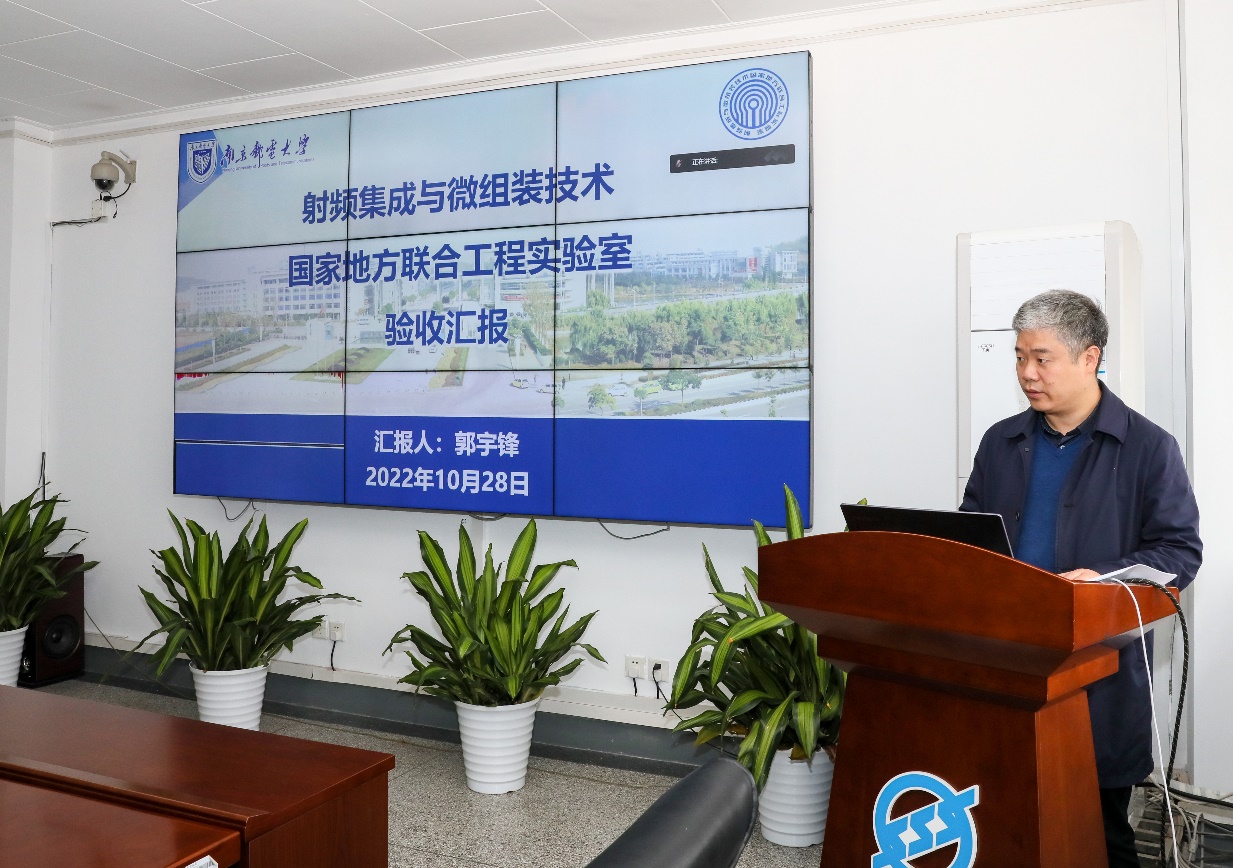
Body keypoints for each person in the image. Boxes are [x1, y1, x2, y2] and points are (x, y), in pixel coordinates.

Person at [961, 289, 1201, 868]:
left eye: (1041, 358)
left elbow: (1180, 550)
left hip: (1097, 675)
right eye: (1020, 357)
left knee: (1096, 834)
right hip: (1009, 662)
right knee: (1006, 820)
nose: (1027, 373)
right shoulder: (1001, 441)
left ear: (1089, 357)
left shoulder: (1148, 448)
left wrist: (1107, 578)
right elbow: (970, 533)